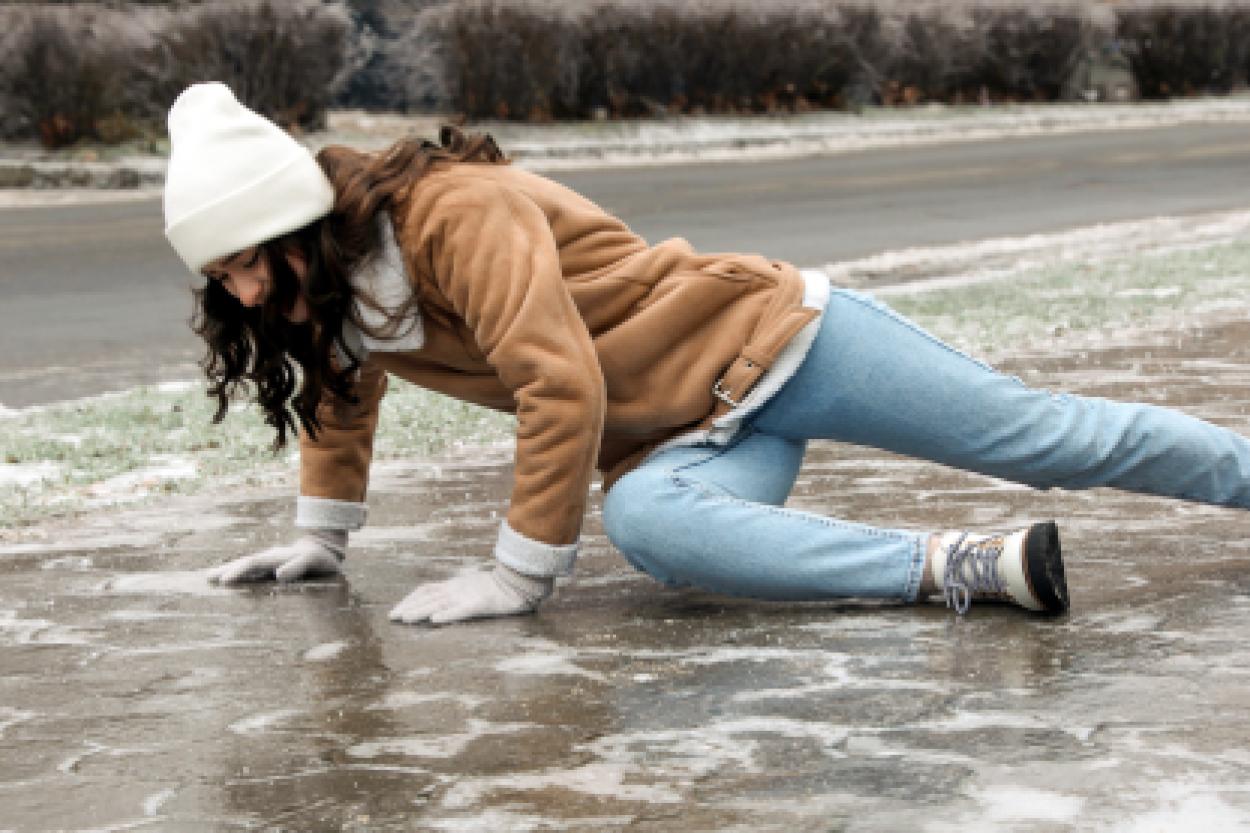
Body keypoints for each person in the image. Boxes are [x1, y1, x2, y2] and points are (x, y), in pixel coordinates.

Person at [163, 83, 1250, 625]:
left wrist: (514, 576)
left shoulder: (453, 215)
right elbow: (343, 385)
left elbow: (558, 382)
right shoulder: (333, 286)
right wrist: (322, 537)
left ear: (295, 224)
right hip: (682, 435)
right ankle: (963, 566)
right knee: (648, 525)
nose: (244, 292)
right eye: (222, 277)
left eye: (247, 262)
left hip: (783, 340)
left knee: (1045, 439)